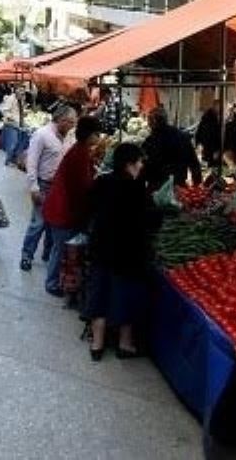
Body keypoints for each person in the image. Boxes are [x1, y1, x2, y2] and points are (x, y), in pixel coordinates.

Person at [84, 142, 163, 361]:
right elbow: (152, 220)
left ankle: (97, 345)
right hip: (127, 254)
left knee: (99, 293)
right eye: (139, 161)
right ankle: (124, 344)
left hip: (101, 249)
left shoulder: (102, 181)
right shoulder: (137, 189)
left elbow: (89, 207)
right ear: (130, 164)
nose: (141, 165)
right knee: (125, 296)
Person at [41, 115, 101, 297]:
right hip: (63, 210)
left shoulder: (80, 150)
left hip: (59, 207)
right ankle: (51, 283)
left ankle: (55, 280)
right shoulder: (80, 154)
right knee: (59, 249)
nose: (98, 137)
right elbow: (82, 187)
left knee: (57, 248)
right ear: (90, 135)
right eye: (97, 133)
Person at [20, 106, 77, 273]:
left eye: (74, 123)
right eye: (70, 122)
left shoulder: (69, 137)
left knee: (55, 223)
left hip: (60, 187)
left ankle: (47, 254)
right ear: (60, 120)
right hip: (43, 184)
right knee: (38, 223)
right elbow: (31, 162)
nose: (72, 126)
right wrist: (34, 187)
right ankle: (26, 255)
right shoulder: (42, 134)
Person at [141, 105, 201, 190]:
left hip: (157, 188)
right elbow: (194, 163)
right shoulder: (182, 136)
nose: (148, 124)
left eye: (149, 121)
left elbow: (144, 165)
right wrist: (197, 186)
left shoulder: (151, 141)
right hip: (179, 186)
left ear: (154, 121)